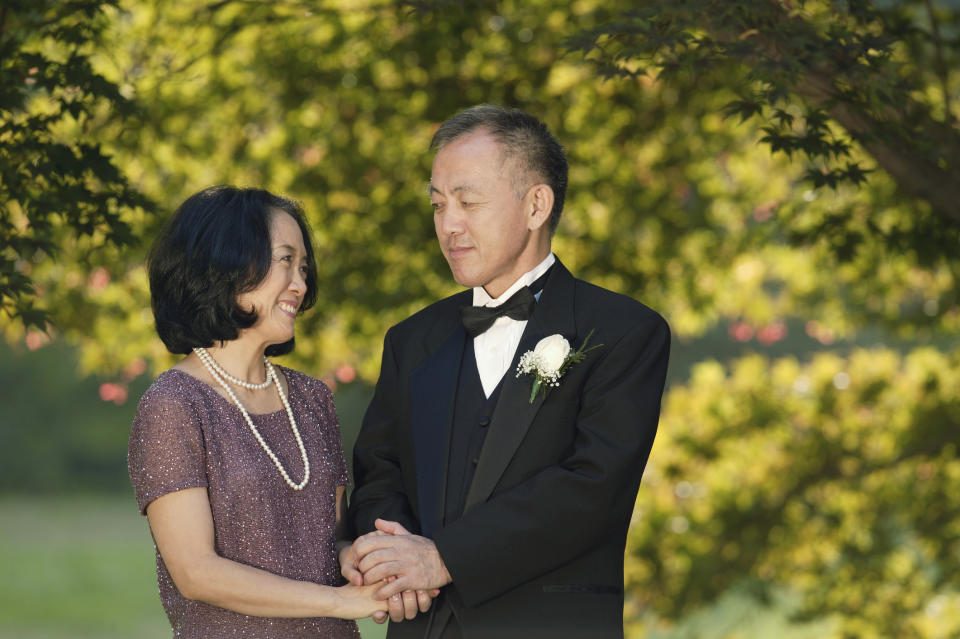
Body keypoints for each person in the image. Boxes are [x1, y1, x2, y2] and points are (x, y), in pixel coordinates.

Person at [340, 105, 671, 638]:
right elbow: (380, 472)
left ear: (537, 204)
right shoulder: (411, 340)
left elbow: (593, 488)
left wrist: (442, 559)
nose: (448, 224)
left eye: (468, 202)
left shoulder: (624, 331)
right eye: (438, 204)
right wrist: (395, 564)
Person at [128, 186, 388, 638]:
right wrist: (342, 601)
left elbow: (333, 538)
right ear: (225, 264)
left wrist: (355, 559)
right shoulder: (173, 405)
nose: (301, 283)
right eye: (284, 260)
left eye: (303, 267)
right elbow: (196, 574)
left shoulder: (312, 400)